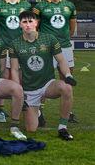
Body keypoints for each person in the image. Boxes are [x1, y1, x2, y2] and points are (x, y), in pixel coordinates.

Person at [9, 11, 75, 140]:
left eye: (30, 21)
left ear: (36, 22)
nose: (28, 25)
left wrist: (68, 75)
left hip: (47, 85)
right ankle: (37, 111)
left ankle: (63, 127)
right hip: (29, 88)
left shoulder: (49, 38)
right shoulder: (14, 44)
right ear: (20, 25)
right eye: (24, 22)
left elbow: (61, 60)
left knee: (66, 87)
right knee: (31, 129)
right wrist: (19, 90)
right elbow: (15, 69)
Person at [33, 0, 78, 123]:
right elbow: (35, 26)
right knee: (43, 80)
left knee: (67, 79)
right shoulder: (40, 7)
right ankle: (39, 112)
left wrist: (66, 40)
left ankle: (68, 112)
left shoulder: (69, 6)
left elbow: (72, 26)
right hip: (46, 48)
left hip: (65, 47)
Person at [0, 0, 32, 122]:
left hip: (21, 46)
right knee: (3, 76)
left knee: (21, 76)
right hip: (4, 46)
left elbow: (30, 25)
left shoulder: (26, 4)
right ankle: (1, 110)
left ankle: (22, 101)